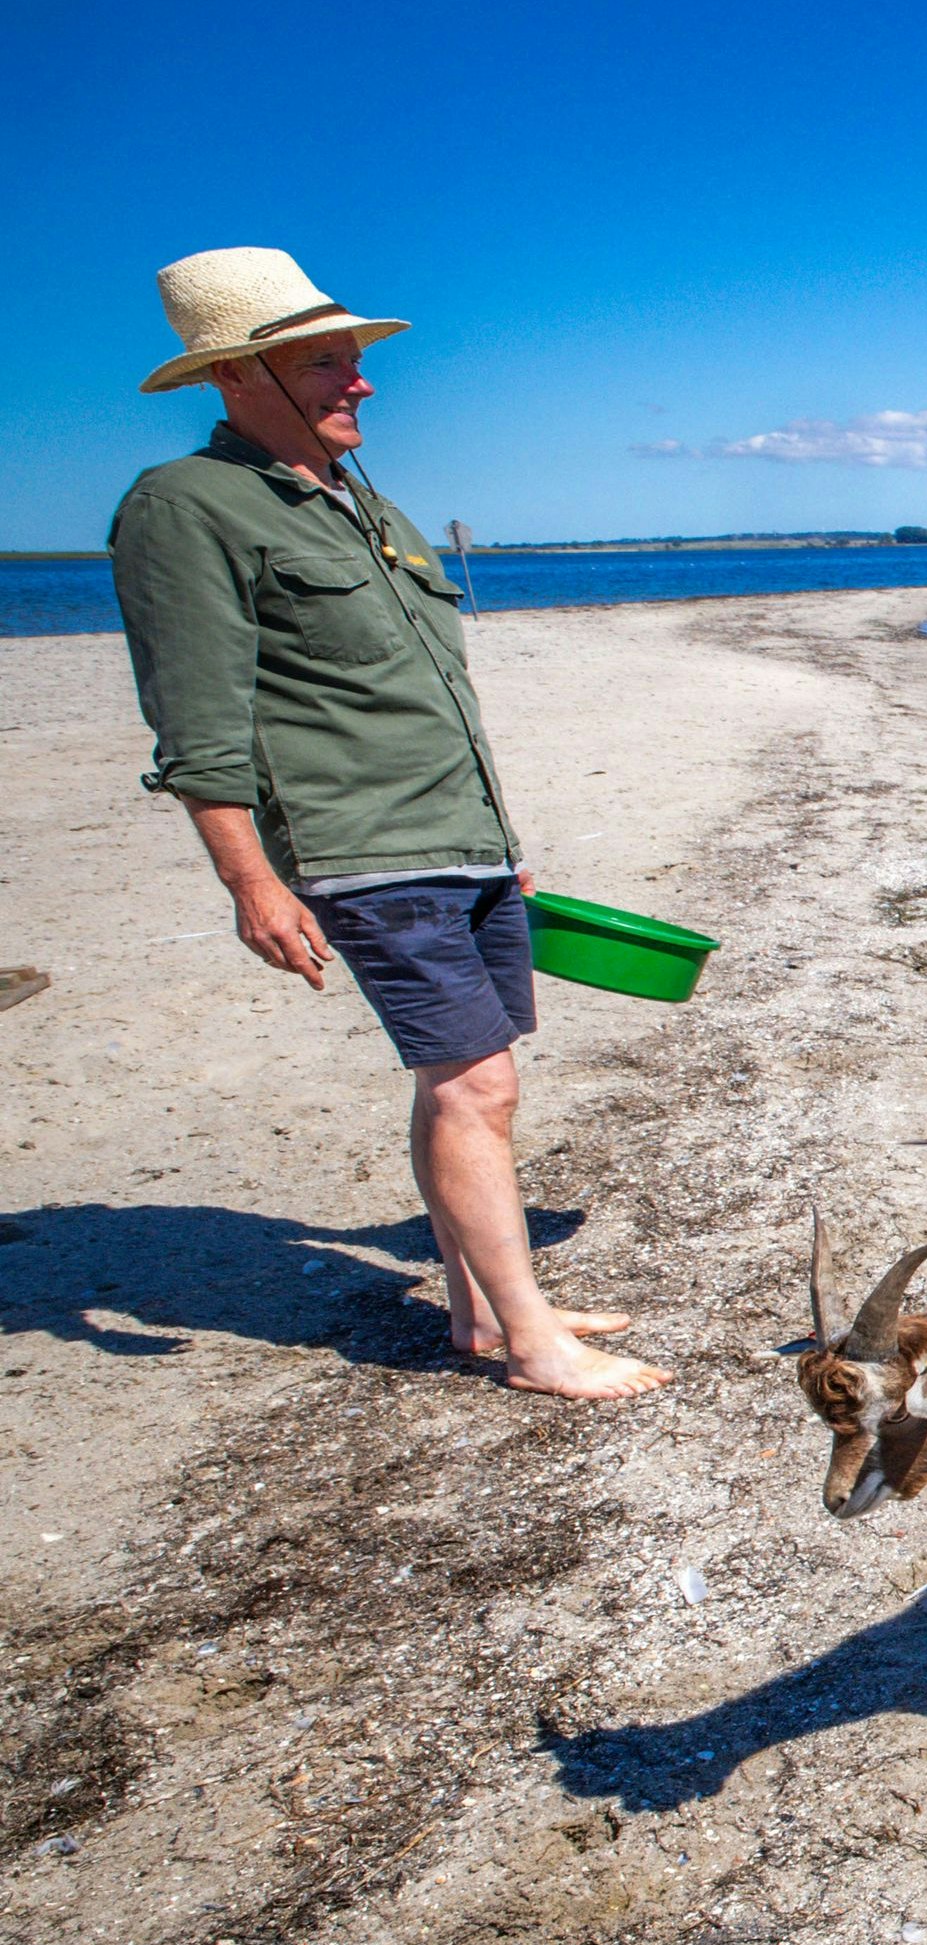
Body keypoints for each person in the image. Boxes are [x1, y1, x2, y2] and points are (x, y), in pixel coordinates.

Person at [112, 247, 665, 1401]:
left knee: (459, 1080)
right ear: (239, 374)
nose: (358, 384)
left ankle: (478, 1310)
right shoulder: (186, 507)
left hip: (458, 840)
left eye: (355, 362)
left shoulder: (361, 499)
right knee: (478, 1088)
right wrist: (251, 884)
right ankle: (532, 1345)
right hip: (364, 850)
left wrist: (501, 843)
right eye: (326, 364)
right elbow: (198, 717)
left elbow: (430, 692)